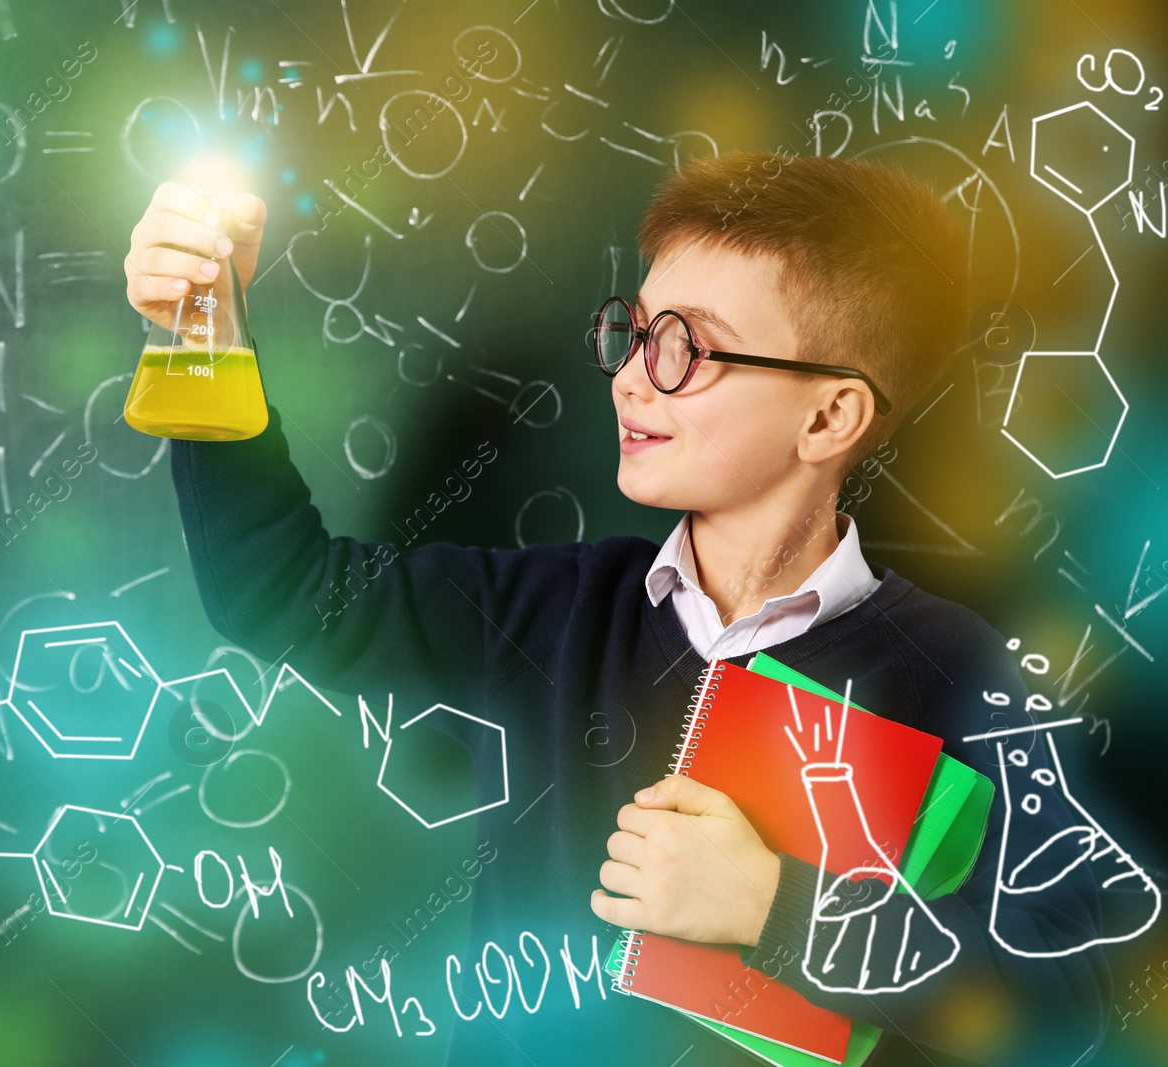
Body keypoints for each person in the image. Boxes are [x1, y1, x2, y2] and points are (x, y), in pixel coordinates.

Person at [124, 152, 1110, 1066]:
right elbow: (279, 590)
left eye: (692, 346)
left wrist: (776, 906)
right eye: (637, 330)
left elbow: (1065, 995)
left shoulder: (959, 673)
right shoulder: (552, 607)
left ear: (827, 416)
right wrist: (202, 333)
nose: (635, 375)